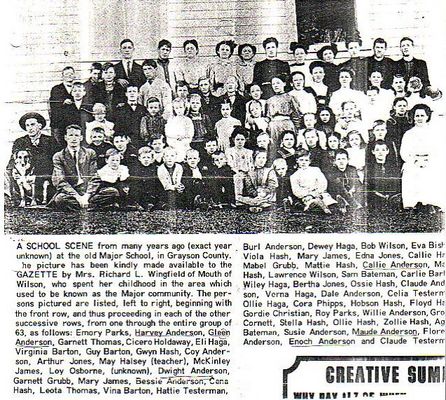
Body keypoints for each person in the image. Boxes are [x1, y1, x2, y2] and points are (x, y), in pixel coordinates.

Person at [6, 112, 59, 205]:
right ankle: (8, 198)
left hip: (45, 176)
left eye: (32, 124)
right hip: (25, 176)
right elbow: (13, 160)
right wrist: (13, 171)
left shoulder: (50, 141)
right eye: (27, 125)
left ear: (40, 125)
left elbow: (57, 160)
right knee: (6, 173)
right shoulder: (20, 141)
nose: (30, 128)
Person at [400, 104, 444, 211]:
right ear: (413, 117)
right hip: (413, 163)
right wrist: (414, 160)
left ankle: (432, 205)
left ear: (427, 117)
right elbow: (404, 152)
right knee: (410, 173)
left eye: (422, 115)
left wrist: (427, 160)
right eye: (417, 116)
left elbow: (439, 150)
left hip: (430, 162)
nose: (419, 118)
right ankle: (412, 206)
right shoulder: (409, 134)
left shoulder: (434, 133)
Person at [50, 124, 98, 211]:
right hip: (71, 191)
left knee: (113, 192)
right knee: (60, 199)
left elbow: (94, 177)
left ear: (81, 138)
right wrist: (78, 197)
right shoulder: (59, 156)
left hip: (88, 190)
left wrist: (87, 195)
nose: (74, 138)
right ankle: (91, 207)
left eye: (76, 135)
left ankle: (83, 205)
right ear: (65, 137)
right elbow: (61, 181)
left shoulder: (90, 153)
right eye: (71, 135)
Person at [290, 149, 336, 214]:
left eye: (306, 160)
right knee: (310, 202)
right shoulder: (294, 175)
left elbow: (323, 182)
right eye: (301, 160)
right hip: (306, 195)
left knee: (327, 199)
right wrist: (309, 194)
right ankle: (322, 207)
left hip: (319, 193)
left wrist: (316, 192)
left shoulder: (315, 170)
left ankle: (330, 206)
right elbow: (296, 190)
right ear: (297, 160)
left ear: (310, 161)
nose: (303, 162)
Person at [365, 140, 401, 210]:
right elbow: (368, 187)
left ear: (387, 151)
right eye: (377, 150)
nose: (380, 152)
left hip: (392, 200)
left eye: (383, 150)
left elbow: (397, 185)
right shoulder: (370, 168)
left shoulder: (393, 168)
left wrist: (390, 196)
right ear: (373, 152)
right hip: (375, 201)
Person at [49, 66, 75, 145]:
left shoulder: (77, 88)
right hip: (59, 124)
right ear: (62, 76)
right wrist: (63, 102)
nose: (69, 75)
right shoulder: (56, 89)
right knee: (58, 145)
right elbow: (53, 104)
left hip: (73, 122)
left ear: (74, 75)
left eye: (71, 73)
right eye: (66, 74)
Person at [130, 146, 160, 211]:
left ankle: (151, 204)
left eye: (148, 157)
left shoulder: (155, 169)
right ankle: (138, 204)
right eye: (144, 157)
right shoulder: (136, 169)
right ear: (139, 158)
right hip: (140, 190)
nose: (146, 159)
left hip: (151, 190)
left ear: (152, 159)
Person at [165, 97, 194, 162]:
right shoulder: (171, 120)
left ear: (184, 107)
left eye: (181, 107)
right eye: (176, 108)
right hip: (173, 143)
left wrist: (183, 137)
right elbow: (168, 132)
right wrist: (175, 137)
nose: (179, 110)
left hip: (184, 144)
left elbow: (190, 133)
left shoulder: (187, 120)